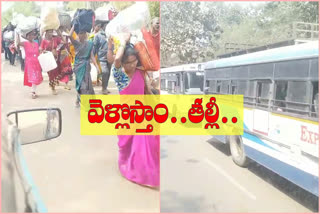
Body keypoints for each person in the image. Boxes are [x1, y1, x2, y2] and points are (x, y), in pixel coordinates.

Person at [107, 34, 159, 187]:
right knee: (126, 147)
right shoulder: (120, 76)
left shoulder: (140, 73)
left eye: (134, 61)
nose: (131, 65)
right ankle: (126, 167)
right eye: (128, 62)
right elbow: (116, 60)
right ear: (122, 63)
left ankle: (145, 174)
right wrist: (123, 41)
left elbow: (147, 93)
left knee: (144, 148)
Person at [68, 25, 101, 107]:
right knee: (81, 84)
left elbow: (92, 56)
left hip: (86, 67)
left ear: (86, 34)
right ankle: (83, 102)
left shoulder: (90, 44)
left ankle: (79, 100)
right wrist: (74, 25)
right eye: (80, 33)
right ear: (78, 34)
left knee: (87, 84)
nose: (82, 35)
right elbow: (69, 35)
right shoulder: (76, 43)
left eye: (83, 33)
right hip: (78, 66)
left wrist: (97, 66)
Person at [16, 29, 43, 99]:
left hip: (37, 63)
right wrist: (17, 35)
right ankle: (32, 92)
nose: (31, 36)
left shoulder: (36, 44)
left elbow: (39, 52)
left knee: (36, 77)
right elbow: (18, 43)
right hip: (30, 63)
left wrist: (41, 51)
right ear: (27, 36)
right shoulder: (25, 43)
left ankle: (33, 91)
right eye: (29, 35)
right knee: (33, 77)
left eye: (32, 35)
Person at [40, 29, 65, 95]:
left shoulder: (55, 39)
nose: (50, 33)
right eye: (49, 32)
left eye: (51, 32)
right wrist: (44, 51)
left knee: (54, 73)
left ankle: (52, 87)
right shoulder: (44, 41)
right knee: (50, 74)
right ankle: (52, 84)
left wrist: (60, 34)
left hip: (55, 59)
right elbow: (40, 50)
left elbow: (64, 42)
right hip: (48, 60)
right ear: (46, 32)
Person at [93, 21, 111, 94]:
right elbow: (94, 46)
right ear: (102, 27)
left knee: (108, 72)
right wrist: (92, 56)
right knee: (105, 72)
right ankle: (103, 88)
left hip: (110, 57)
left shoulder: (110, 34)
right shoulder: (98, 35)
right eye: (106, 26)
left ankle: (105, 87)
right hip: (102, 57)